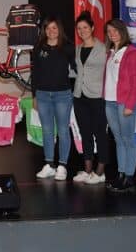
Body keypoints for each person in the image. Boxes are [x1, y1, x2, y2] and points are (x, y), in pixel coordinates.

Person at [32, 16, 76, 181]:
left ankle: (62, 166)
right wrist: (34, 95)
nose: (51, 31)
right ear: (44, 30)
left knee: (63, 130)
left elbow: (78, 69)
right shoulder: (39, 48)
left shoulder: (68, 47)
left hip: (62, 95)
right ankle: (49, 165)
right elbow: (35, 74)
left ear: (59, 30)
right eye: (48, 28)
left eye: (54, 28)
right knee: (47, 131)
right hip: (42, 95)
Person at [103, 18, 136, 194]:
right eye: (109, 31)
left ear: (122, 31)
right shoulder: (111, 53)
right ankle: (121, 175)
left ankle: (129, 178)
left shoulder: (132, 53)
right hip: (110, 102)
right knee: (118, 139)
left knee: (128, 140)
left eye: (115, 30)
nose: (112, 34)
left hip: (124, 103)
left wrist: (130, 104)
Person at [71, 11, 109, 185]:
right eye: (79, 28)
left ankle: (100, 172)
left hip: (97, 97)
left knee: (100, 134)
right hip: (79, 96)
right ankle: (87, 170)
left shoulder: (104, 49)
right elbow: (77, 71)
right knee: (85, 133)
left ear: (92, 28)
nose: (82, 31)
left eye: (85, 27)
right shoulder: (78, 49)